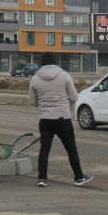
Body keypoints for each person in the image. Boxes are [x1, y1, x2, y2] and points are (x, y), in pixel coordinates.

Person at [28, 52, 93, 187]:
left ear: (42, 63)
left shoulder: (35, 78)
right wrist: (64, 103)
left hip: (45, 118)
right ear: (55, 62)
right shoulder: (64, 75)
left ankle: (42, 178)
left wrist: (45, 104)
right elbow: (75, 97)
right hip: (63, 118)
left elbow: (32, 101)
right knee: (71, 149)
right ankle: (79, 177)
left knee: (44, 149)